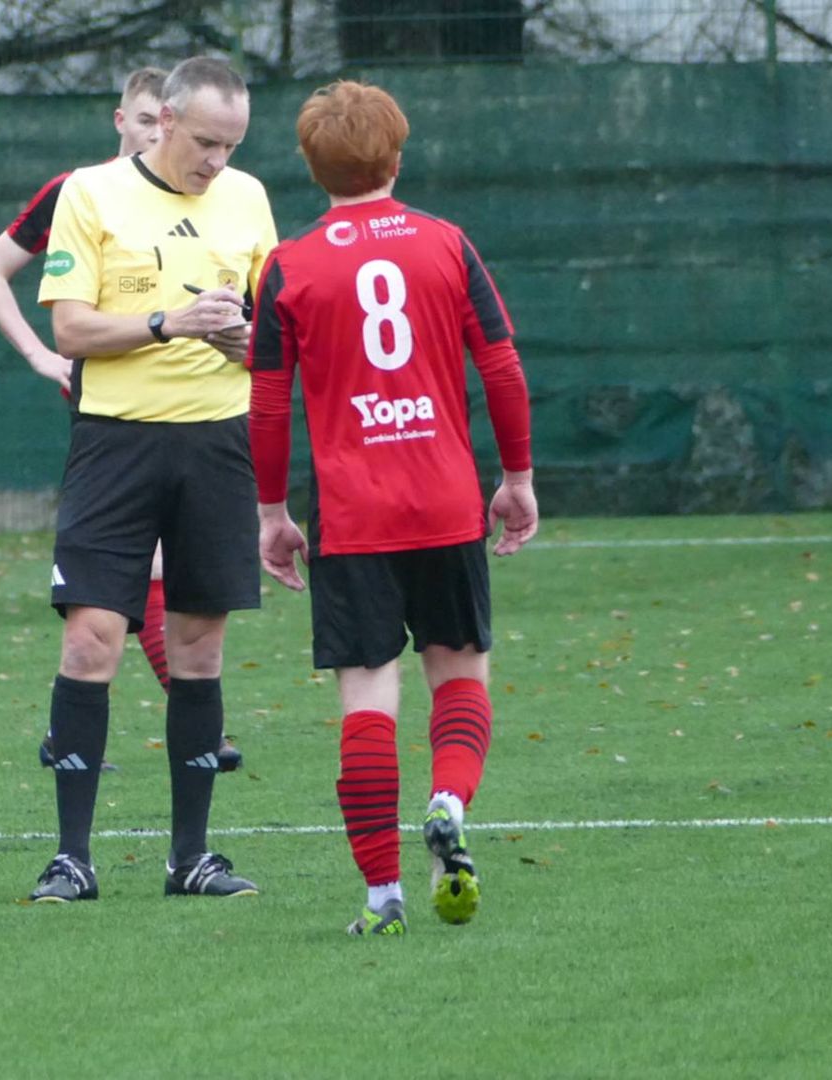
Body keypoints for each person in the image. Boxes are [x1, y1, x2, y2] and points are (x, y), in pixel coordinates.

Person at [247, 80, 538, 936]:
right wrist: (517, 478)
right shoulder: (447, 243)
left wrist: (272, 513)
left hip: (353, 516)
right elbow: (502, 366)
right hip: (446, 502)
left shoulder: (289, 265)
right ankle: (449, 800)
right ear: (397, 158)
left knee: (368, 696)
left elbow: (267, 404)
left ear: (312, 167)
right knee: (460, 672)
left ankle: (382, 898)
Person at [26, 56, 276, 903]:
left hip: (218, 444)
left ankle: (191, 859)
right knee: (90, 640)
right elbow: (70, 331)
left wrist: (246, 339)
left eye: (232, 145)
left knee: (199, 646)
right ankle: (71, 858)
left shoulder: (248, 198)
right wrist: (171, 322)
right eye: (206, 141)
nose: (217, 160)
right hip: (115, 443)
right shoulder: (91, 193)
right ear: (164, 120)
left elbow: (276, 327)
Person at [0, 67, 242, 775]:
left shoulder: (215, 200)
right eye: (143, 121)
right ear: (122, 121)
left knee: (154, 578)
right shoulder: (80, 194)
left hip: (196, 422)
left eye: (163, 122)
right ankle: (149, 727)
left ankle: (153, 727)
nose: (155, 134)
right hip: (110, 413)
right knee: (125, 582)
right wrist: (39, 354)